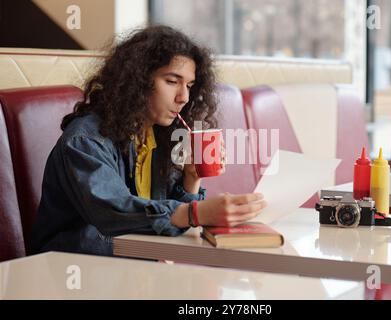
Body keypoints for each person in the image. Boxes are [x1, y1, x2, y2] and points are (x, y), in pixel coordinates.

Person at [31, 25, 267, 256]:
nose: (183, 97)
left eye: (190, 85)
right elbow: (114, 213)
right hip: (72, 273)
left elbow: (160, 223)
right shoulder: (85, 141)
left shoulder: (159, 135)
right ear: (138, 80)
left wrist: (191, 179)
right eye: (172, 81)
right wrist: (197, 213)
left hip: (134, 270)